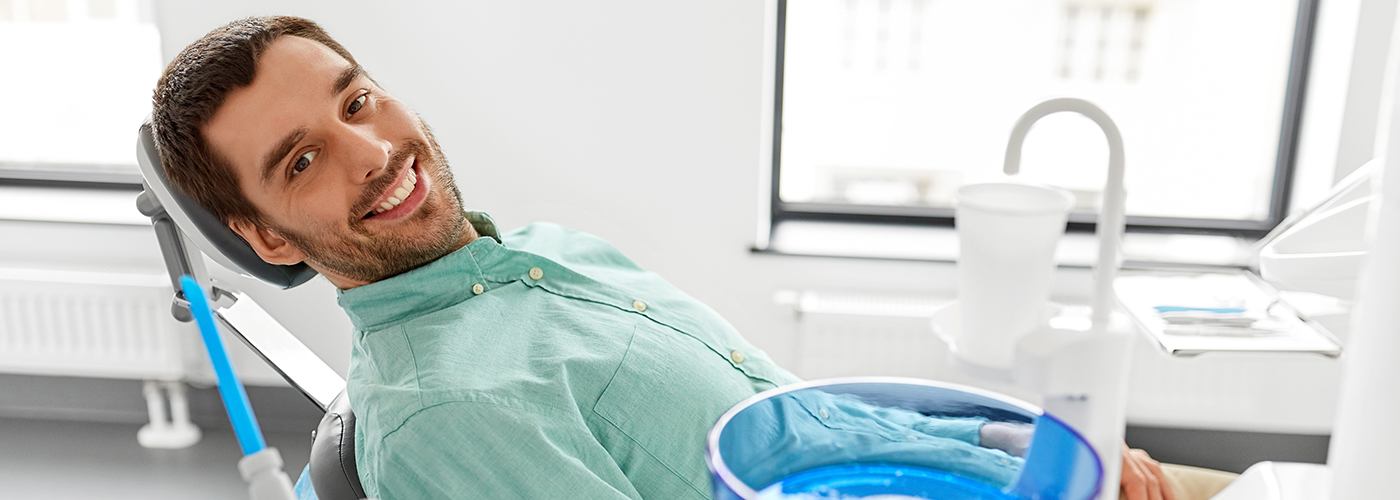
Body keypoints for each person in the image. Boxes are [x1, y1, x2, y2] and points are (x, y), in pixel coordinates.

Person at [150, 15, 1231, 500]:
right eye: (302, 160)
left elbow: (797, 411)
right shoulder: (449, 417)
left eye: (357, 99)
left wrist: (1024, 443)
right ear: (263, 234)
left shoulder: (535, 255)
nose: (377, 152)